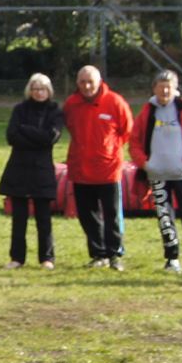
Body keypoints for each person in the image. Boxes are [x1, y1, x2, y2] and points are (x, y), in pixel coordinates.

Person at [130, 69, 182, 276]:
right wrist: (145, 164)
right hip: (157, 175)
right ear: (154, 88)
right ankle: (172, 258)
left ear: (175, 88)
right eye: (161, 86)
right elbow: (135, 141)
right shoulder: (148, 112)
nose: (165, 90)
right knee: (164, 217)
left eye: (169, 86)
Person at [62, 64, 133, 269]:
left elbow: (127, 131)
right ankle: (97, 254)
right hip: (80, 169)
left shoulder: (115, 102)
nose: (86, 86)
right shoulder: (71, 104)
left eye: (90, 82)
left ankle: (114, 255)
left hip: (108, 170)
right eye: (82, 82)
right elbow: (69, 127)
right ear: (77, 83)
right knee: (87, 215)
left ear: (99, 81)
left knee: (112, 215)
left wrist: (109, 149)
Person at [0, 73, 63, 269]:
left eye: (42, 89)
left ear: (48, 91)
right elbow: (11, 136)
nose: (38, 92)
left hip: (42, 170)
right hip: (18, 168)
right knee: (19, 218)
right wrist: (37, 137)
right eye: (35, 89)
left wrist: (25, 130)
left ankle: (47, 258)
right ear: (29, 90)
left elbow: (51, 138)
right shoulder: (19, 109)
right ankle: (17, 258)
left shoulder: (55, 111)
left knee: (44, 218)